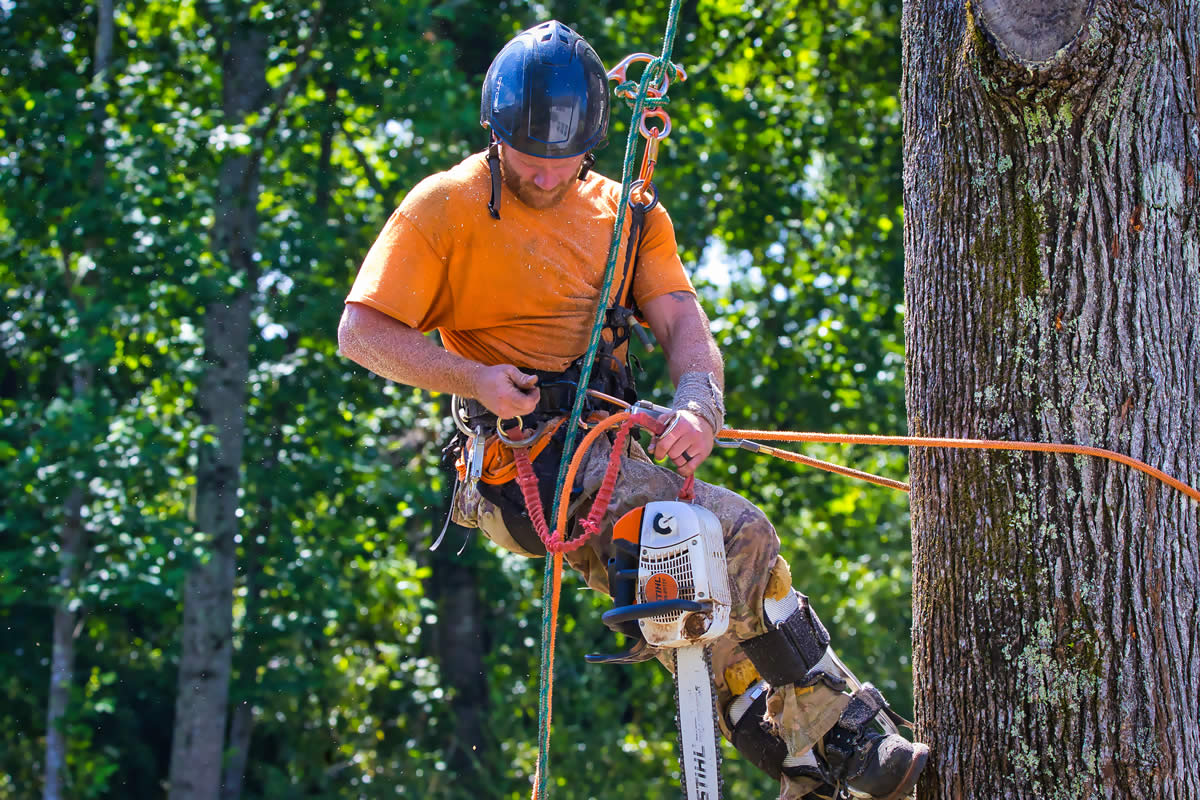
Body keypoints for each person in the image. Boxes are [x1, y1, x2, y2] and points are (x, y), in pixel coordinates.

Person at [337, 20, 928, 800]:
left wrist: (697, 403)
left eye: (563, 161)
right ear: (494, 131)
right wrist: (474, 377)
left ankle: (802, 771)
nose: (545, 178)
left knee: (697, 594)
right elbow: (361, 333)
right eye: (527, 158)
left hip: (611, 447)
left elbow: (683, 324)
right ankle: (848, 733)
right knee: (734, 532)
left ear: (591, 143)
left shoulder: (628, 216)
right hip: (524, 467)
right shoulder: (441, 211)